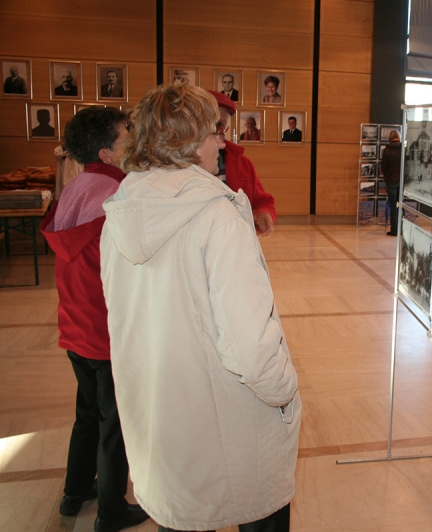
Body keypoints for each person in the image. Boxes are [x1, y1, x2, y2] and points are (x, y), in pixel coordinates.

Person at [100, 83, 300, 531]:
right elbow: (251, 349)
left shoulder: (119, 214)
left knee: (185, 514)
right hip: (231, 427)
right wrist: (285, 392)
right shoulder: (218, 216)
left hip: (164, 422)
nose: (222, 142)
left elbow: (124, 323)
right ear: (186, 142)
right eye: (213, 133)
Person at [41, 107, 150, 532]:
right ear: (107, 152)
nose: (134, 138)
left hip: (74, 326)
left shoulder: (75, 187)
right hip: (106, 331)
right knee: (114, 425)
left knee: (88, 414)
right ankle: (111, 511)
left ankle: (74, 493)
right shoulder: (115, 195)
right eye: (127, 133)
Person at [210, 90, 276, 236]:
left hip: (236, 244)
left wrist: (264, 213)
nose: (216, 131)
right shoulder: (179, 165)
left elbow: (263, 200)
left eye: (220, 125)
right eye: (211, 123)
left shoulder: (242, 162)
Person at [381, 130, 401, 236]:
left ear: (390, 137)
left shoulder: (387, 150)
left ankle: (394, 230)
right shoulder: (403, 149)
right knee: (401, 205)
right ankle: (402, 228)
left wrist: (387, 175)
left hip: (391, 181)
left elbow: (383, 167)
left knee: (393, 205)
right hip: (401, 181)